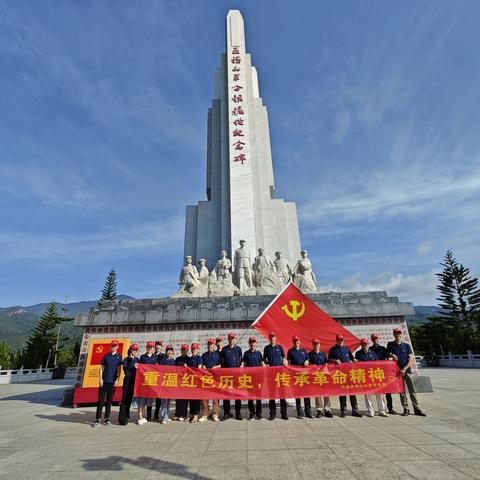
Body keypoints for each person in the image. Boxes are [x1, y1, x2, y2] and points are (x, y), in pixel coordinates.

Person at [387, 328, 426, 417]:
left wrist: (404, 368)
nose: (398, 335)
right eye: (396, 334)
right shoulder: (390, 345)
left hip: (407, 371)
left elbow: (411, 359)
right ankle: (406, 408)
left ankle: (417, 409)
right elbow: (388, 354)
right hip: (397, 372)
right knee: (402, 391)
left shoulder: (406, 346)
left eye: (399, 334)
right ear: (393, 334)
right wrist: (392, 355)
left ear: (401, 335)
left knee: (412, 391)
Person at [328, 334, 362, 418]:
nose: (340, 341)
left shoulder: (347, 349)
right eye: (339, 340)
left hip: (349, 373)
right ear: (336, 341)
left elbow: (351, 358)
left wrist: (354, 360)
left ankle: (355, 410)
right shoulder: (332, 350)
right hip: (340, 374)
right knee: (342, 393)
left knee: (352, 392)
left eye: (342, 340)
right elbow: (328, 359)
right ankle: (343, 411)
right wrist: (335, 360)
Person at [355, 338, 388, 417]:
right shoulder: (358, 353)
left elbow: (377, 364)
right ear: (361, 345)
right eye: (363, 344)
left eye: (366, 344)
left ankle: (381, 410)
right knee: (367, 395)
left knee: (379, 393)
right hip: (365, 377)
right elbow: (356, 365)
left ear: (368, 345)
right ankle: (371, 411)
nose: (364, 346)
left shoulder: (373, 353)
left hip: (374, 376)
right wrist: (355, 361)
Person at [93, 339, 123, 427]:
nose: (113, 347)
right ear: (111, 346)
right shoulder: (106, 356)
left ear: (117, 347)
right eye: (112, 345)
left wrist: (117, 380)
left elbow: (119, 369)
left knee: (109, 402)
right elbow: (101, 368)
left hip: (112, 382)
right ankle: (98, 419)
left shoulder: (119, 356)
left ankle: (106, 418)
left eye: (115, 345)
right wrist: (100, 379)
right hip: (104, 381)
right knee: (100, 401)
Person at [263, 331, 288, 420]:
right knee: (272, 395)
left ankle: (284, 413)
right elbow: (264, 359)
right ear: (269, 338)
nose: (272, 338)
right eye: (270, 337)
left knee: (282, 394)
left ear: (276, 338)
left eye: (273, 337)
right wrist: (266, 364)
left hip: (280, 375)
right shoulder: (266, 348)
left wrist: (285, 362)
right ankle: (272, 414)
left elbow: (284, 357)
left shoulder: (280, 347)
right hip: (271, 375)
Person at [370, 333, 396, 414]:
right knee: (376, 391)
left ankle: (390, 408)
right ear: (371, 340)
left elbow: (388, 357)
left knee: (388, 391)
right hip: (373, 373)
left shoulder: (383, 349)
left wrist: (392, 356)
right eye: (373, 339)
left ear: (378, 339)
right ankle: (378, 408)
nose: (375, 340)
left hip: (383, 372)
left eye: (376, 338)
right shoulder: (369, 349)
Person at [287, 335, 312, 419]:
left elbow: (308, 360)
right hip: (296, 376)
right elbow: (289, 364)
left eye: (297, 341)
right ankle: (299, 412)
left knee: (306, 394)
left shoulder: (303, 350)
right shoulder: (290, 351)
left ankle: (308, 412)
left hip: (304, 376)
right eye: (294, 341)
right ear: (293, 342)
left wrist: (306, 361)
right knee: (298, 395)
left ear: (299, 342)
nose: (296, 342)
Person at [308, 338, 333, 418]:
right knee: (318, 394)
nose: (316, 345)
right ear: (312, 345)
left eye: (318, 344)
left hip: (324, 376)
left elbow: (326, 362)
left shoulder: (323, 354)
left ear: (319, 345)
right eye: (315, 344)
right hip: (315, 377)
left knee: (326, 393)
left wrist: (326, 364)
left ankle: (327, 409)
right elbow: (308, 364)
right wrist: (312, 366)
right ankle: (319, 410)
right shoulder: (310, 354)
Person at [242, 336, 265, 420]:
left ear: (256, 343)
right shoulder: (246, 353)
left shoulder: (259, 353)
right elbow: (244, 366)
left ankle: (259, 414)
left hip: (258, 379)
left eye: (254, 342)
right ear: (249, 343)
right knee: (250, 397)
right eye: (251, 342)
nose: (252, 344)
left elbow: (261, 365)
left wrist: (261, 378)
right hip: (249, 379)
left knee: (259, 397)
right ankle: (252, 414)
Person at [221, 332, 243, 420]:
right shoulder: (224, 349)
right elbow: (222, 362)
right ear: (228, 339)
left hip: (237, 376)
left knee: (238, 395)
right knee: (226, 395)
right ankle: (226, 413)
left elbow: (241, 361)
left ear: (235, 339)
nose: (232, 340)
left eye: (233, 338)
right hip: (227, 376)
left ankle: (238, 413)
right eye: (230, 338)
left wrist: (239, 369)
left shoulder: (238, 349)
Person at [199, 338, 221, 422]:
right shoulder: (204, 355)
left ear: (214, 345)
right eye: (209, 344)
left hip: (215, 379)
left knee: (215, 398)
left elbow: (221, 365)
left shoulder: (217, 354)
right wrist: (203, 367)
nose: (210, 346)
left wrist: (216, 367)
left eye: (211, 344)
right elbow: (201, 365)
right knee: (205, 398)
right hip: (206, 379)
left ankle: (215, 414)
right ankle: (205, 415)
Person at [136, 341, 157, 425]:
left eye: (151, 347)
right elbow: (140, 368)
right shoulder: (143, 357)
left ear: (153, 349)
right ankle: (140, 417)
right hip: (143, 382)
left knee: (149, 401)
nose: (150, 349)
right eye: (148, 347)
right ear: (146, 348)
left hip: (151, 382)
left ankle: (148, 416)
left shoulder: (155, 357)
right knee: (142, 401)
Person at [118, 343, 139, 425]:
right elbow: (125, 370)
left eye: (136, 350)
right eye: (133, 349)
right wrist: (131, 362)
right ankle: (122, 419)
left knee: (130, 399)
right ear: (130, 350)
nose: (134, 351)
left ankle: (126, 415)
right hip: (127, 380)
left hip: (134, 381)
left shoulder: (138, 360)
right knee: (124, 399)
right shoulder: (126, 359)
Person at [158, 345, 175, 424]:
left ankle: (166, 415)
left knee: (168, 401)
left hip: (171, 383)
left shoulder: (173, 361)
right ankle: (163, 417)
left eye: (171, 351)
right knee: (164, 401)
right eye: (168, 350)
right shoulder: (163, 360)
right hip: (164, 383)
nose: (170, 352)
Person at [173, 344, 191, 421]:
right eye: (183, 349)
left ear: (187, 350)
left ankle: (183, 415)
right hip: (178, 381)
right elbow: (174, 369)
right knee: (178, 399)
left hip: (186, 381)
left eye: (185, 349)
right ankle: (177, 413)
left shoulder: (189, 359)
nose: (184, 351)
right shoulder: (177, 359)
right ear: (181, 350)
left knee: (184, 399)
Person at [188, 343, 203, 423]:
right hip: (191, 382)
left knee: (197, 399)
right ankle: (192, 413)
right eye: (192, 349)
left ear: (197, 349)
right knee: (191, 399)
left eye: (195, 349)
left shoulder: (199, 358)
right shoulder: (190, 359)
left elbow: (199, 369)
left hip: (197, 382)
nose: (194, 350)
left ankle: (196, 415)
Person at [152, 340, 164, 421]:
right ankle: (149, 414)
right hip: (152, 378)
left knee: (159, 397)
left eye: (159, 345)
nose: (158, 347)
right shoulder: (151, 355)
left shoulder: (163, 356)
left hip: (160, 379)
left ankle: (156, 414)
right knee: (150, 397)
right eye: (156, 345)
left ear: (161, 347)